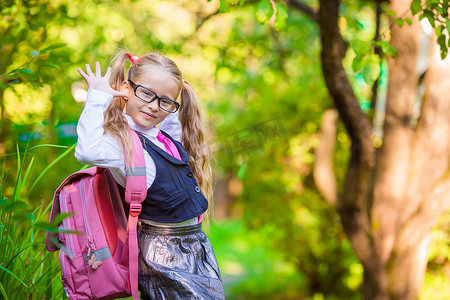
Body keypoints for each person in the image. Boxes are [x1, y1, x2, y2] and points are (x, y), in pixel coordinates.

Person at [75, 50, 225, 300]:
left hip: (194, 245)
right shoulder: (121, 141)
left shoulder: (162, 136)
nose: (154, 106)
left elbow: (170, 118)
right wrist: (98, 97)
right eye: (146, 93)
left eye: (165, 101)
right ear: (126, 87)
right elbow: (87, 151)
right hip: (163, 253)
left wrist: (168, 94)